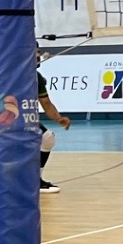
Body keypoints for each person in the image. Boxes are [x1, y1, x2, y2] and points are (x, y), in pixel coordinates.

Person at [36, 50, 71, 194]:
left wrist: (58, 118)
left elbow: (45, 102)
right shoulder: (10, 73)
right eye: (34, 52)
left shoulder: (37, 77)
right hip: (6, 117)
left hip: (25, 118)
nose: (38, 56)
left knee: (47, 138)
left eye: (39, 52)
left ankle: (35, 180)